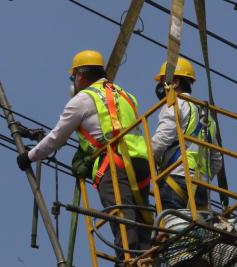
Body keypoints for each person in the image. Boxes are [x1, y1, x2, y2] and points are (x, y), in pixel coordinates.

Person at [16, 50, 152, 261]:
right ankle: (149, 261)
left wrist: (29, 156)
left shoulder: (82, 99)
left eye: (73, 77)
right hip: (142, 163)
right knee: (142, 220)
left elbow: (57, 137)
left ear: (80, 75)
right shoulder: (127, 95)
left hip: (114, 164)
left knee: (123, 220)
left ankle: (128, 263)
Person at [151, 58, 223, 211]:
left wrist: (146, 163)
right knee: (198, 233)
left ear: (175, 82)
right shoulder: (208, 117)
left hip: (176, 179)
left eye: (164, 81)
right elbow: (216, 160)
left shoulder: (176, 104)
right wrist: (204, 177)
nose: (160, 87)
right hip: (201, 187)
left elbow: (160, 141)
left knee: (168, 229)